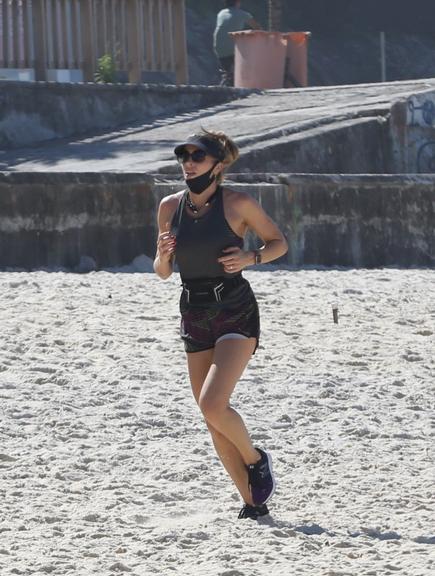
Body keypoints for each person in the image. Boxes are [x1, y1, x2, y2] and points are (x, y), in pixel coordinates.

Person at [153, 129, 288, 520]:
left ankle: (256, 458)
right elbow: (162, 272)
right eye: (184, 155)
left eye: (198, 156)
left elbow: (278, 242)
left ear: (218, 164)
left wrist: (251, 258)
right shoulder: (169, 207)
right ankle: (253, 503)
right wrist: (162, 256)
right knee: (212, 418)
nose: (189, 162)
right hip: (193, 312)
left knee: (213, 402)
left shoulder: (238, 203)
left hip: (234, 310)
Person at [213, 0, 261, 86]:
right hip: (232, 48)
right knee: (246, 62)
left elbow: (226, 28)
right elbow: (257, 28)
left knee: (228, 71)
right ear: (238, 2)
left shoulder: (221, 13)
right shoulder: (243, 14)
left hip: (218, 47)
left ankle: (227, 81)